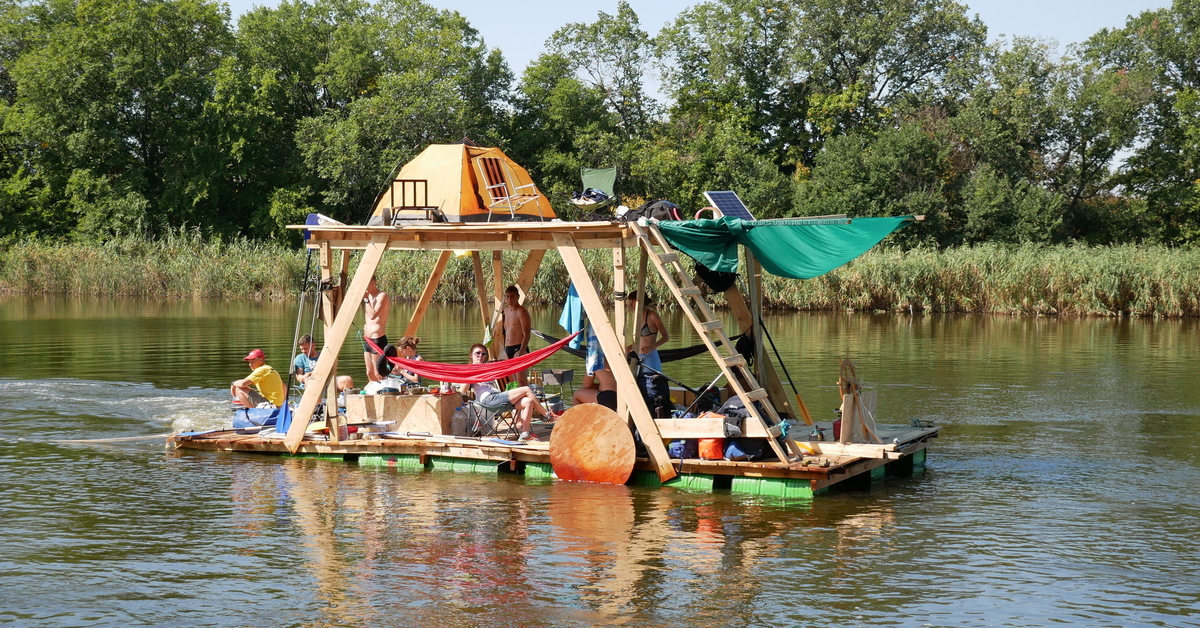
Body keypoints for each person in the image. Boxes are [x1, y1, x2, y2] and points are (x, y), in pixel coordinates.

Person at [458, 343, 556, 442]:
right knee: (526, 389)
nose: (480, 356)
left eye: (483, 354)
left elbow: (505, 368)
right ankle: (548, 415)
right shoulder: (469, 370)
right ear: (471, 355)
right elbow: (462, 391)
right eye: (477, 353)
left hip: (498, 399)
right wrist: (470, 374)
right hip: (488, 400)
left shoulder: (487, 368)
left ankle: (525, 434)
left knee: (528, 401)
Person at [626, 290, 669, 373]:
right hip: (637, 356)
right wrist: (628, 348)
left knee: (651, 382)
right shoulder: (636, 318)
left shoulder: (653, 316)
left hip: (650, 356)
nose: (630, 305)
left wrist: (651, 347)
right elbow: (640, 340)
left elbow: (666, 337)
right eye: (630, 302)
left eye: (633, 302)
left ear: (641, 302)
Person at [501, 285, 531, 386]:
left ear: (518, 297)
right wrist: (504, 350)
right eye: (507, 296)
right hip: (508, 349)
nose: (510, 299)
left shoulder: (521, 311)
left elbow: (527, 334)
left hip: (519, 348)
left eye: (512, 296)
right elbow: (506, 332)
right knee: (512, 382)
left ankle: (528, 400)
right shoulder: (505, 311)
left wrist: (521, 351)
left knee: (522, 381)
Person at [362, 275, 390, 382]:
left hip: (377, 338)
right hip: (368, 338)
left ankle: (382, 393)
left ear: (373, 284)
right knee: (369, 372)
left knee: (378, 373)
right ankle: (372, 394)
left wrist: (366, 300)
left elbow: (373, 314)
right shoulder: (368, 297)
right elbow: (368, 317)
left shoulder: (382, 296)